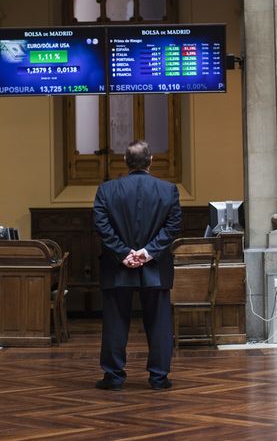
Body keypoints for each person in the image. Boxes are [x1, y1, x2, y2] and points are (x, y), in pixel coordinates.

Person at [93, 140, 182, 391]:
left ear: (125, 161)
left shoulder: (106, 190)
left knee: (115, 323)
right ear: (151, 160)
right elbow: (173, 227)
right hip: (155, 268)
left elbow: (102, 226)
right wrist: (147, 253)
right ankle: (158, 377)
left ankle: (113, 377)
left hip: (117, 266)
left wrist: (123, 253)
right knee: (159, 323)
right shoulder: (169, 190)